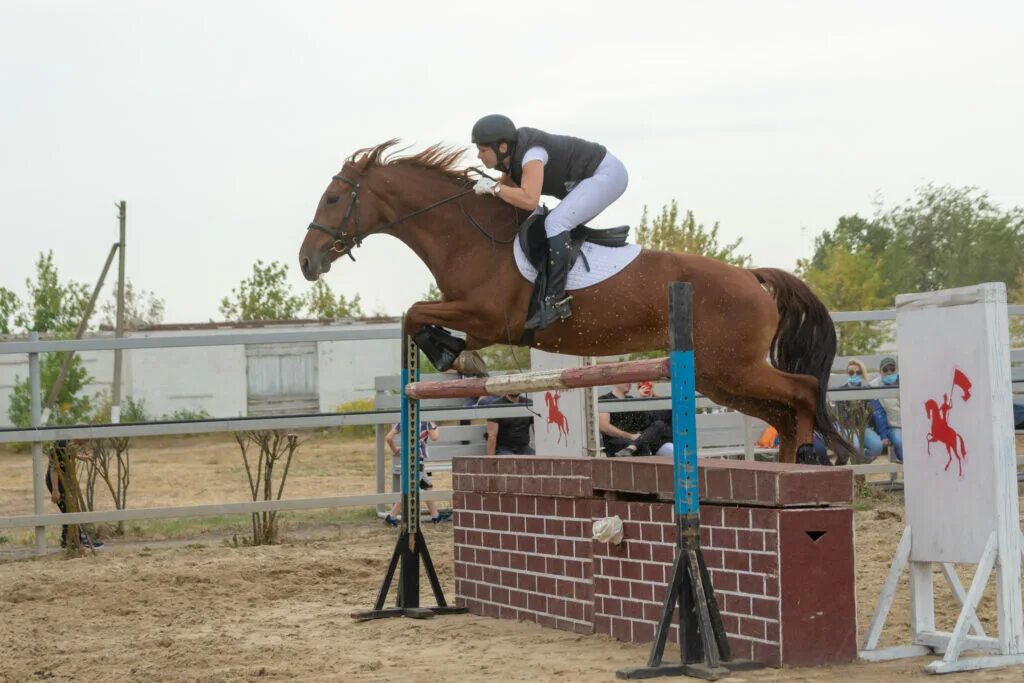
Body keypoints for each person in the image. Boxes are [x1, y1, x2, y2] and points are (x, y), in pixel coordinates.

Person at [470, 114, 629, 330]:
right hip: (591, 179)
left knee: (555, 223)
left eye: (483, 150)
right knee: (550, 223)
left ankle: (556, 300)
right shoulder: (512, 161)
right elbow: (507, 189)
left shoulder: (531, 155)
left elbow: (528, 199)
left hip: (607, 174)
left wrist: (495, 188)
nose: (479, 156)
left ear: (503, 146)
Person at [383, 421, 449, 526]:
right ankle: (391, 516)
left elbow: (389, 438)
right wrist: (435, 427)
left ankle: (436, 516)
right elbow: (434, 437)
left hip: (406, 459)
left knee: (427, 486)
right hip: (418, 460)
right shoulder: (426, 423)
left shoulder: (402, 421)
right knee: (411, 489)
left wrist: (395, 450)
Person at [45, 440, 103, 549]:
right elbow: (54, 467)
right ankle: (79, 540)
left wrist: (80, 457)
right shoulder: (61, 444)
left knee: (70, 508)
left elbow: (67, 455)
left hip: (65, 480)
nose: (86, 443)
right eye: (85, 439)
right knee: (69, 509)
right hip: (57, 481)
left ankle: (67, 541)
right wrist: (55, 489)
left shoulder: (69, 445)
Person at [610, 381, 674, 457]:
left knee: (659, 424)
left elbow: (664, 424)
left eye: (648, 384)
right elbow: (636, 424)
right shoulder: (637, 406)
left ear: (652, 385)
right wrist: (642, 401)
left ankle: (631, 448)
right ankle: (631, 448)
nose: (646, 388)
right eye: (641, 386)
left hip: (663, 441)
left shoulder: (662, 403)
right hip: (647, 443)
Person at [598, 383, 649, 457]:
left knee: (658, 425)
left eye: (630, 380)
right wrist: (630, 436)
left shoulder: (631, 400)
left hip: (634, 441)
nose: (629, 383)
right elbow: (604, 427)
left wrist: (643, 399)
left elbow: (645, 423)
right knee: (640, 446)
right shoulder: (604, 399)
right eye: (626, 380)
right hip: (615, 443)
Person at [869, 355, 903, 463]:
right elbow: (878, 413)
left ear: (896, 370)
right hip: (893, 426)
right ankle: (907, 466)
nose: (889, 372)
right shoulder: (873, 386)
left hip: (912, 425)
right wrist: (883, 435)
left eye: (892, 369)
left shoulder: (906, 381)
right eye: (885, 369)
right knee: (899, 441)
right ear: (880, 372)